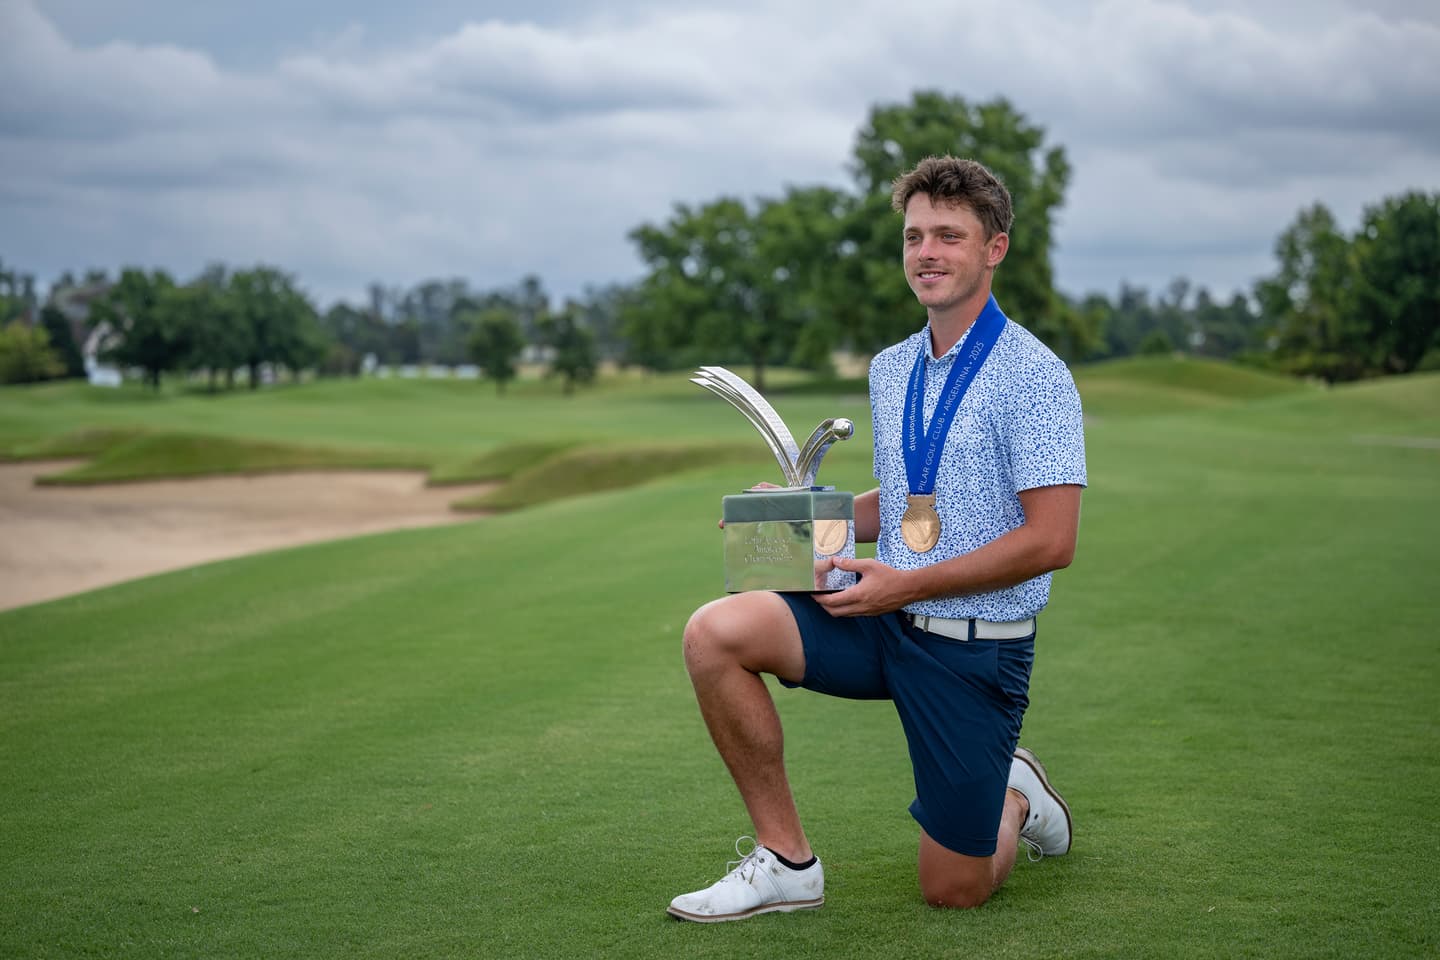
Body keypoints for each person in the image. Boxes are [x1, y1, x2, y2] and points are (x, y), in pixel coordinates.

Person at [668, 155, 1087, 921]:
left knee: (952, 891)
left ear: (994, 249)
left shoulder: (1035, 374)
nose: (926, 252)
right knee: (715, 633)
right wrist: (803, 514)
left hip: (974, 648)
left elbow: (1052, 540)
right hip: (880, 616)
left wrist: (906, 583)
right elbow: (902, 503)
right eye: (914, 236)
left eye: (949, 236)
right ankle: (788, 863)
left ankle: (1015, 796)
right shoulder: (893, 367)